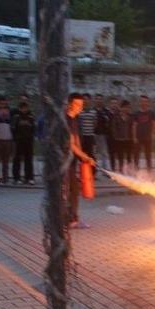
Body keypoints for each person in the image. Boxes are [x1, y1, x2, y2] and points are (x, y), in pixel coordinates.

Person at [66, 93, 94, 229]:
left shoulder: (75, 119)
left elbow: (76, 140)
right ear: (69, 104)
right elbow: (70, 144)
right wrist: (84, 156)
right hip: (63, 161)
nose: (80, 108)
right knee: (68, 190)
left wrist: (84, 158)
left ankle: (72, 218)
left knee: (74, 189)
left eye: (81, 105)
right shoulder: (65, 120)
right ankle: (69, 219)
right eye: (77, 105)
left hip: (71, 161)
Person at [11, 101, 36, 184]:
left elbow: (33, 128)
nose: (24, 109)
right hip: (19, 141)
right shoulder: (16, 117)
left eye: (26, 108)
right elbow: (13, 129)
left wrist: (32, 137)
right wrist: (15, 138)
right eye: (22, 108)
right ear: (20, 108)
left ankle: (29, 177)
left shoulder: (31, 117)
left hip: (28, 141)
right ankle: (16, 178)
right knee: (17, 159)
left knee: (28, 159)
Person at [110, 100, 134, 172]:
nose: (126, 109)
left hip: (128, 139)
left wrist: (132, 137)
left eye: (128, 108)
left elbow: (132, 127)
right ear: (121, 108)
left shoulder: (130, 117)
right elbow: (113, 127)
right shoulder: (116, 116)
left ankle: (129, 171)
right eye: (124, 107)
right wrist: (116, 137)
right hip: (119, 140)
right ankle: (121, 171)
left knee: (129, 157)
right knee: (120, 157)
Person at [132, 95, 154, 170]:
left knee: (148, 156)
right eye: (142, 101)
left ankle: (149, 170)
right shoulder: (136, 113)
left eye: (145, 101)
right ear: (140, 102)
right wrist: (134, 137)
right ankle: (135, 170)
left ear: (148, 103)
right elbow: (134, 125)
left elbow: (154, 124)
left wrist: (153, 134)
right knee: (136, 155)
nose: (143, 103)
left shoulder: (151, 113)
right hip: (138, 137)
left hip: (148, 137)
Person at [77, 94, 97, 174]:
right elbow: (78, 124)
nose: (85, 101)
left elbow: (95, 123)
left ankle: (93, 172)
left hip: (90, 136)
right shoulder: (79, 111)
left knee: (91, 155)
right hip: (82, 137)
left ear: (90, 100)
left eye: (87, 99)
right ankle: (84, 172)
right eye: (84, 99)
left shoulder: (93, 112)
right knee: (82, 155)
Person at [92, 95, 111, 171]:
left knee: (104, 153)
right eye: (97, 99)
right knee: (94, 153)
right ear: (95, 100)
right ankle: (95, 169)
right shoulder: (93, 111)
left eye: (100, 99)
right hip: (94, 134)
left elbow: (109, 122)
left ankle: (105, 169)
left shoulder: (105, 111)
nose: (99, 101)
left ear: (102, 100)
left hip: (103, 134)